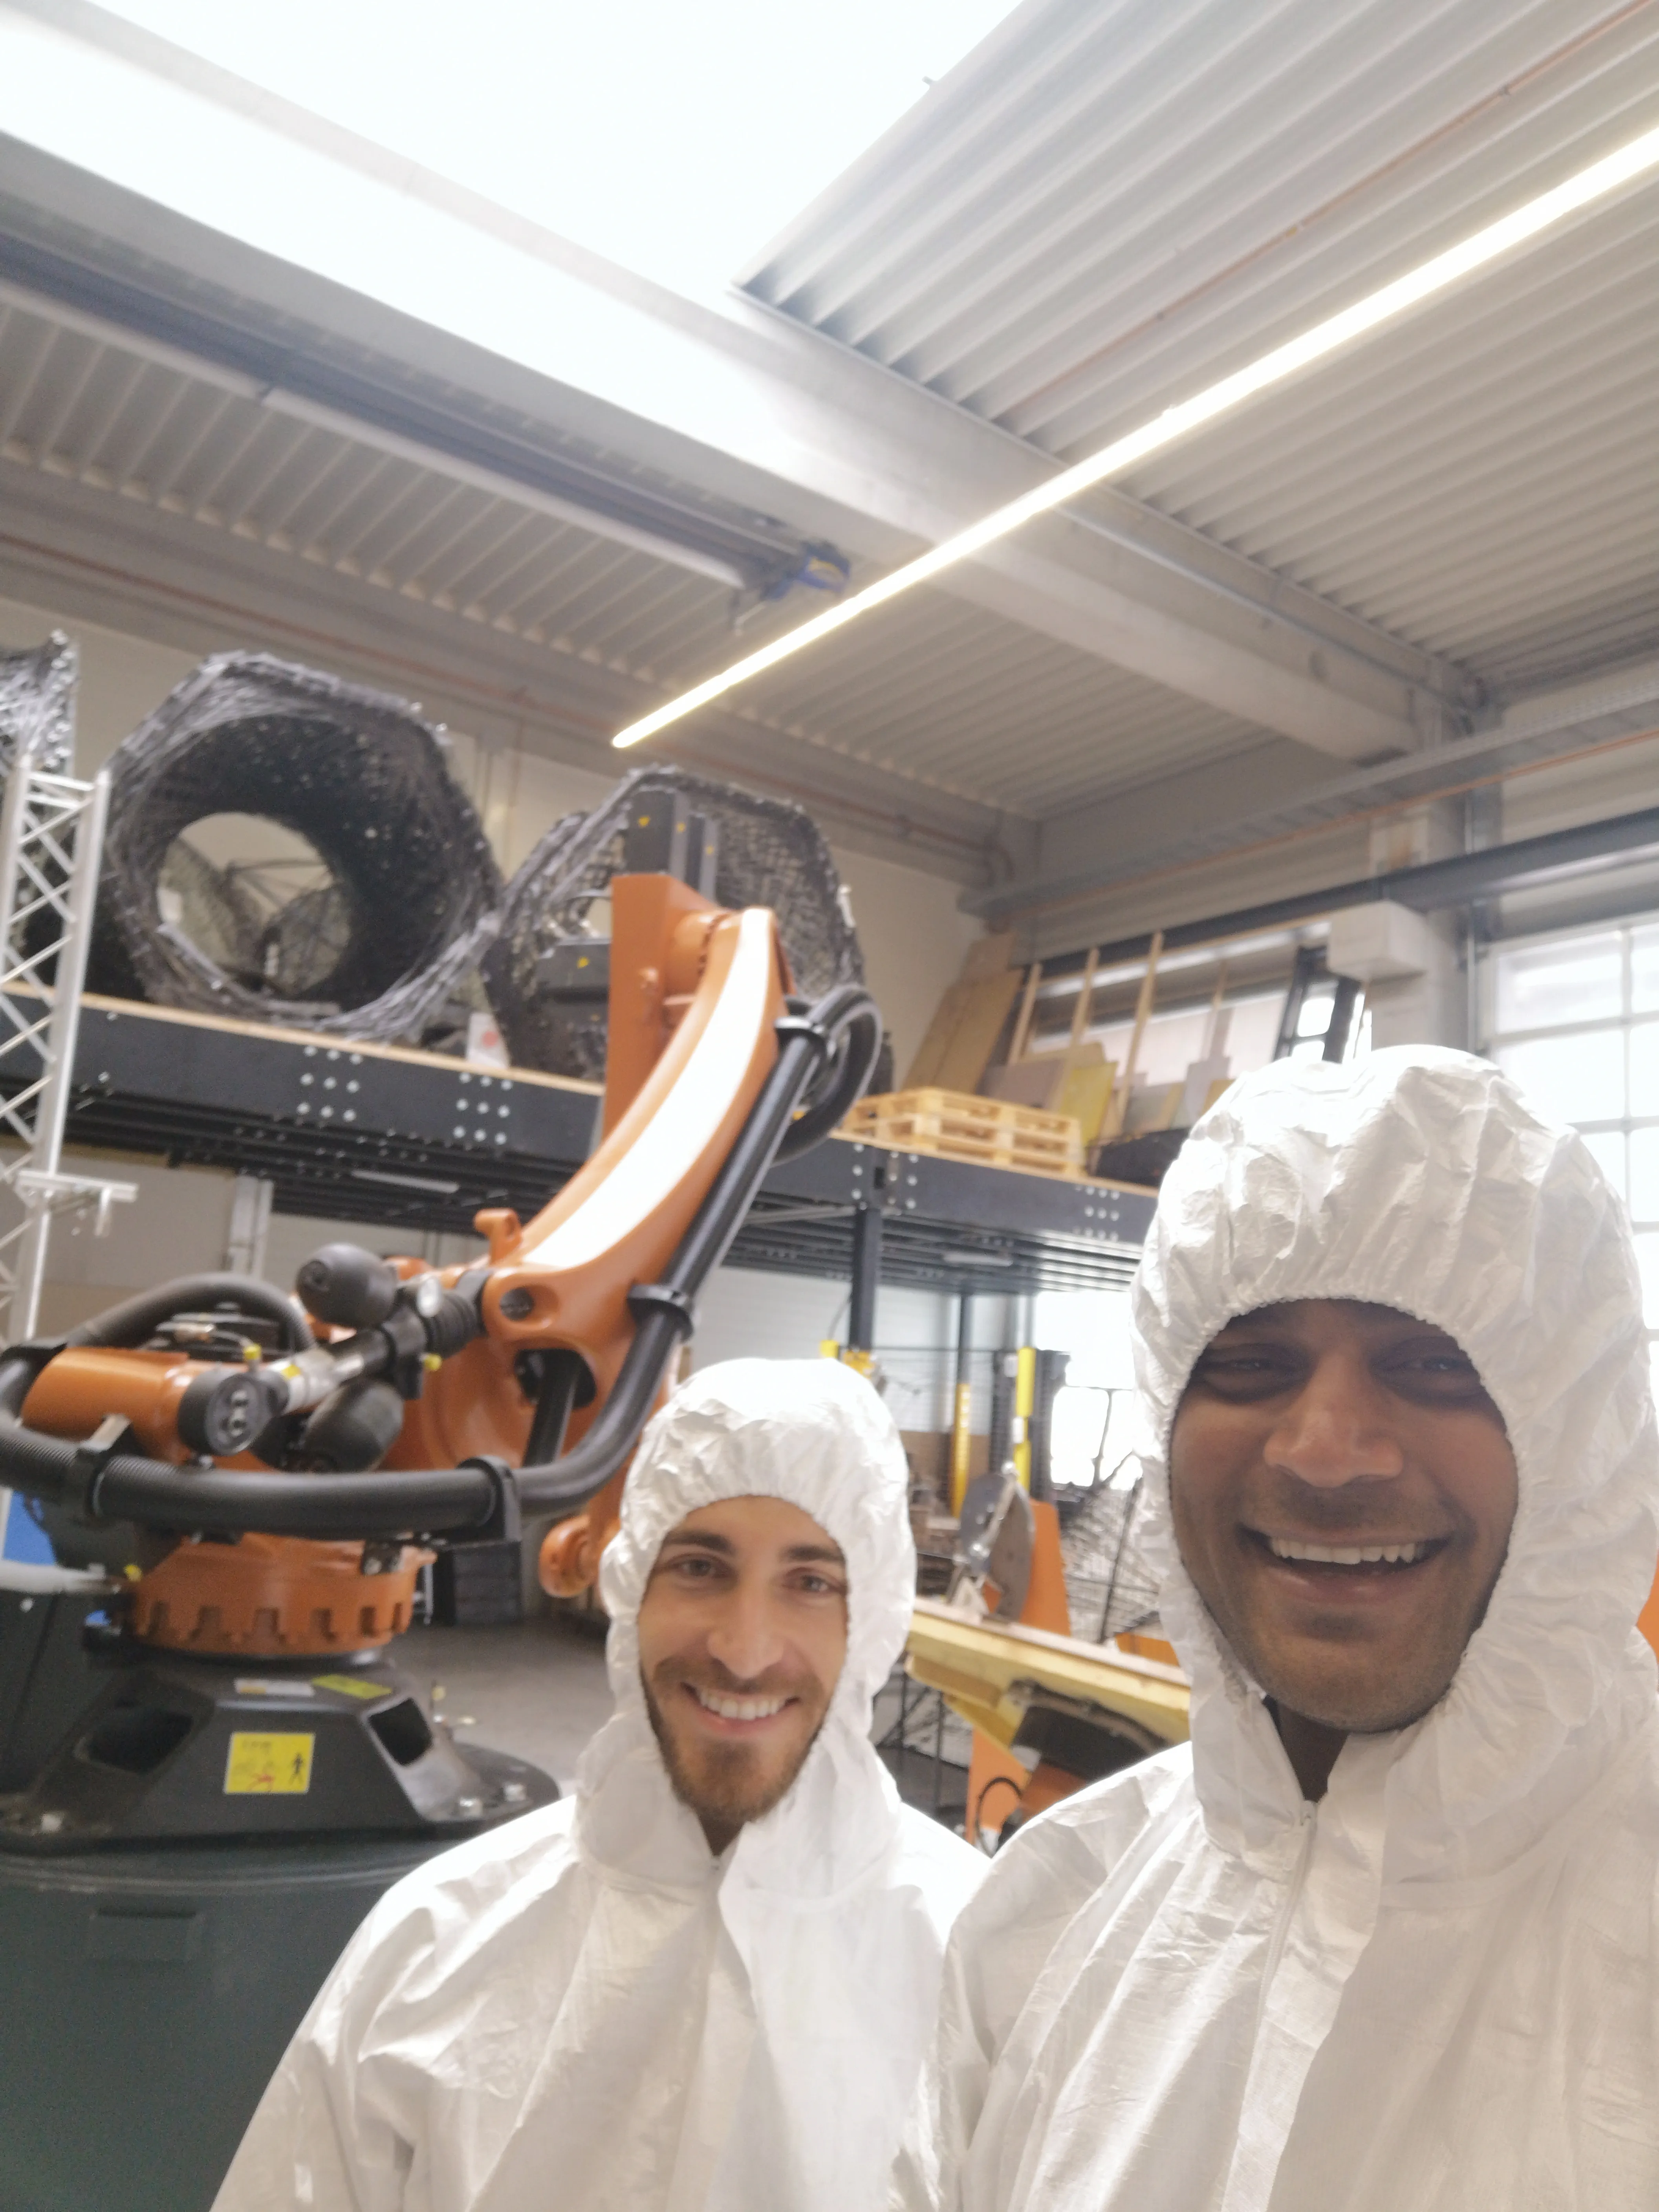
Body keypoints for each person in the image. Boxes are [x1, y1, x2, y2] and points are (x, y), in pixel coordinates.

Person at [901, 1046, 1659, 2211]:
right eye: (1252, 1364)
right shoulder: (1050, 1919)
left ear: (1577, 1433)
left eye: (1432, 1363)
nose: (1324, 1448)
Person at [216, 1356, 983, 2212]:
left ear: (871, 1615)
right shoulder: (438, 1939)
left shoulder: (981, 1960)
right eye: (700, 1566)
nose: (744, 1646)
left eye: (811, 1581)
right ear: (630, 1587)